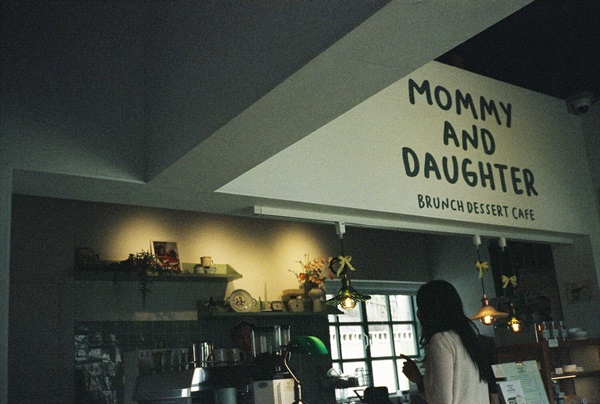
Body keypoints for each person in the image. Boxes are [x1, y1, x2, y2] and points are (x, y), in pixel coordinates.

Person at [401, 280, 493, 404]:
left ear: (430, 310)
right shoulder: (468, 340)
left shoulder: (441, 340)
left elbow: (441, 400)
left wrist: (420, 381)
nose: (418, 313)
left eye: (421, 307)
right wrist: (419, 380)